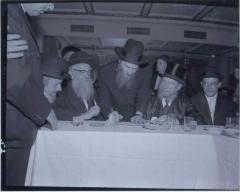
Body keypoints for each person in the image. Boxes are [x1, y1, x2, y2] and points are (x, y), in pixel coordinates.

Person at [5, 3, 55, 186]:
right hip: (11, 131)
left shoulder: (17, 14)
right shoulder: (9, 12)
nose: (51, 7)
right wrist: (45, 110)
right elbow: (13, 78)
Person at [97, 39, 153, 123]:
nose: (130, 72)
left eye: (134, 68)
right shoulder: (105, 71)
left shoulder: (145, 72)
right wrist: (110, 114)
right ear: (120, 61)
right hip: (109, 113)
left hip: (131, 115)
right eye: (127, 67)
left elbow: (143, 94)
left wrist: (139, 114)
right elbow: (103, 97)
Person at [53, 52, 100, 125]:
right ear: (71, 73)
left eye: (88, 72)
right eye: (82, 72)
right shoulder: (61, 91)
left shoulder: (91, 91)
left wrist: (109, 119)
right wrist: (83, 116)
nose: (87, 76)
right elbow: (54, 112)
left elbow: (94, 115)